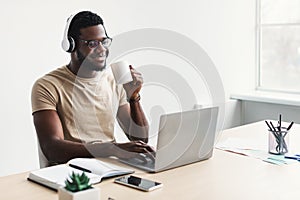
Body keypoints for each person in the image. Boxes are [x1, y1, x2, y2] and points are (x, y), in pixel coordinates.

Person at [31, 11, 153, 167]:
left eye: (104, 41)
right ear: (71, 45)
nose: (102, 49)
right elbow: (53, 148)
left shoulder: (114, 81)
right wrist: (113, 149)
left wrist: (134, 97)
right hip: (71, 173)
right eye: (92, 43)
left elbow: (140, 139)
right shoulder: (47, 85)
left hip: (111, 167)